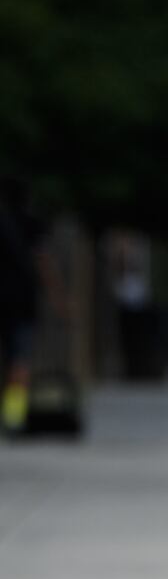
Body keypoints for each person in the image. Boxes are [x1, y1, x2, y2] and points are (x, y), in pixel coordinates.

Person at [0, 178, 40, 433]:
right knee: (20, 362)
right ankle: (13, 418)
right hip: (22, 301)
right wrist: (60, 299)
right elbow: (43, 261)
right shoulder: (31, 224)